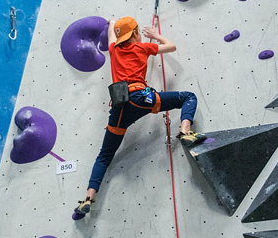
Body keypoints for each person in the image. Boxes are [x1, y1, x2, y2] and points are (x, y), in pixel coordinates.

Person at [73, 17, 207, 218]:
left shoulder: (114, 50)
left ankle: (88, 198)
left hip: (119, 108)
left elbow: (112, 35)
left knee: (104, 156)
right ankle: (185, 132)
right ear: (135, 33)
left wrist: (111, 24)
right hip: (141, 98)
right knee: (188, 97)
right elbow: (171, 47)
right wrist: (155, 36)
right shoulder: (143, 48)